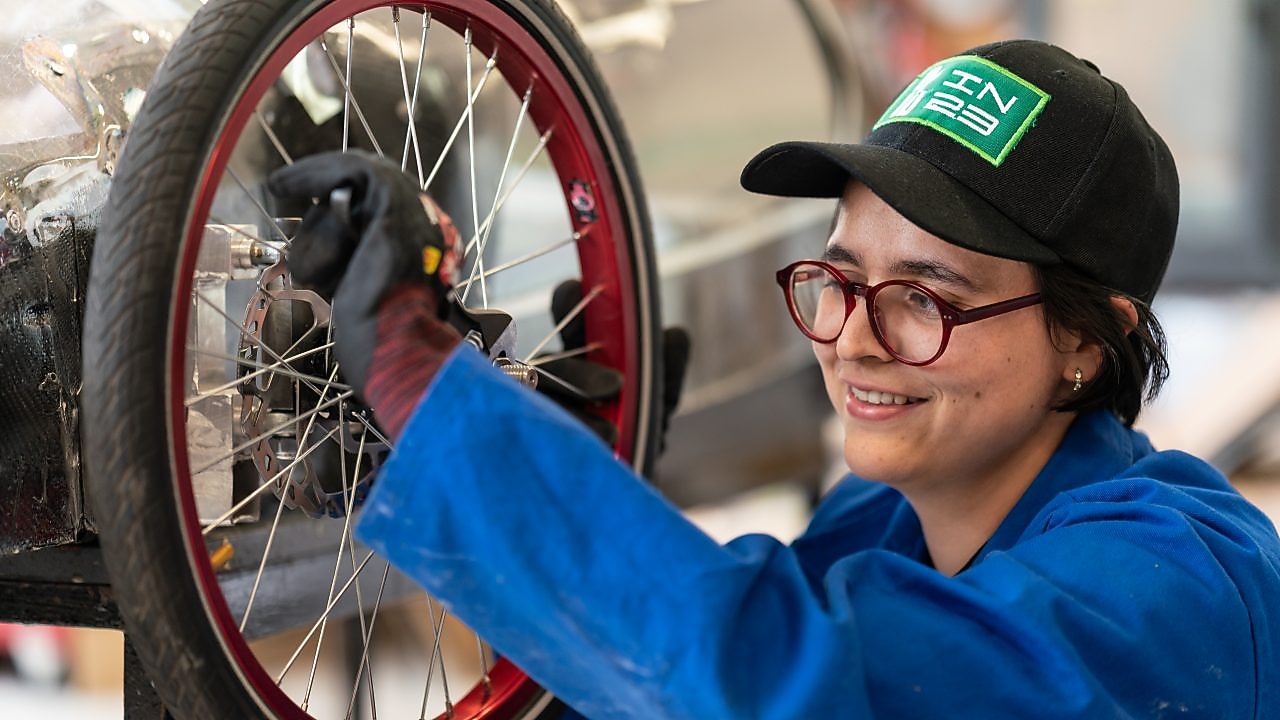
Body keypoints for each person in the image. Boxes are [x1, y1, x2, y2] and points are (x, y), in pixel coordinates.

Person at [269, 39, 1280, 718]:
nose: (853, 339)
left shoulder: (1178, 581)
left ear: (1085, 342)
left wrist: (440, 402)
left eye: (924, 296)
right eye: (837, 279)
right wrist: (566, 481)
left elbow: (778, 687)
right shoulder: (883, 522)